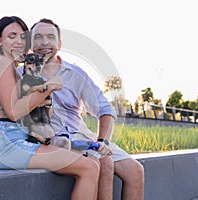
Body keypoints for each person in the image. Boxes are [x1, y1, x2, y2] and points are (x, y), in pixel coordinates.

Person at [0, 16, 101, 200]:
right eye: (12, 36)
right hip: (8, 143)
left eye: (22, 37)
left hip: (15, 140)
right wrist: (48, 88)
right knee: (88, 168)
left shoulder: (12, 68)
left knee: (91, 164)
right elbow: (13, 112)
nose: (18, 42)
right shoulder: (3, 63)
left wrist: (45, 97)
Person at [29, 18, 145, 200]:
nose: (44, 42)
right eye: (38, 37)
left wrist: (103, 142)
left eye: (50, 37)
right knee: (104, 163)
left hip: (81, 136)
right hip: (53, 141)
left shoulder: (76, 74)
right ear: (30, 44)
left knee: (135, 170)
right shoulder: (20, 75)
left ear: (59, 44)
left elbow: (105, 109)